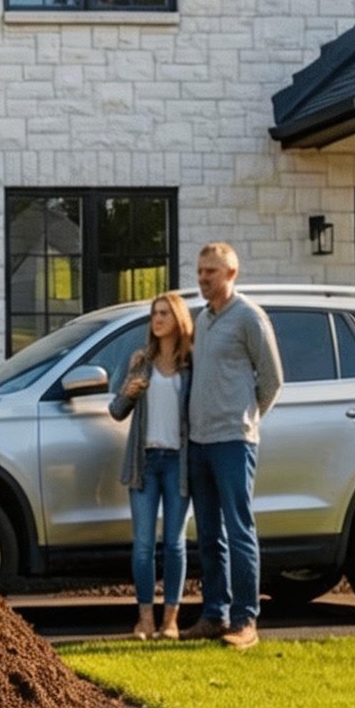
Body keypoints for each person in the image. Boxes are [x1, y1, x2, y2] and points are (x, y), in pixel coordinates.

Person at [183, 242, 283, 651]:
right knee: (209, 533)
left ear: (231, 274)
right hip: (200, 441)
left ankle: (245, 621)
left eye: (212, 272)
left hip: (233, 441)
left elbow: (272, 380)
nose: (203, 278)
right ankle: (214, 614)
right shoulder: (202, 320)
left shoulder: (249, 317)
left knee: (240, 530)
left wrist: (246, 417)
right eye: (201, 271)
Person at [110, 291, 195, 640]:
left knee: (174, 543)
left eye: (164, 313)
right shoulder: (140, 361)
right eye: (154, 314)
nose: (157, 319)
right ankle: (145, 619)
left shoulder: (190, 367)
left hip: (178, 462)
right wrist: (129, 392)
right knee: (143, 545)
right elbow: (116, 411)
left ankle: (171, 621)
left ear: (178, 320)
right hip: (145, 462)